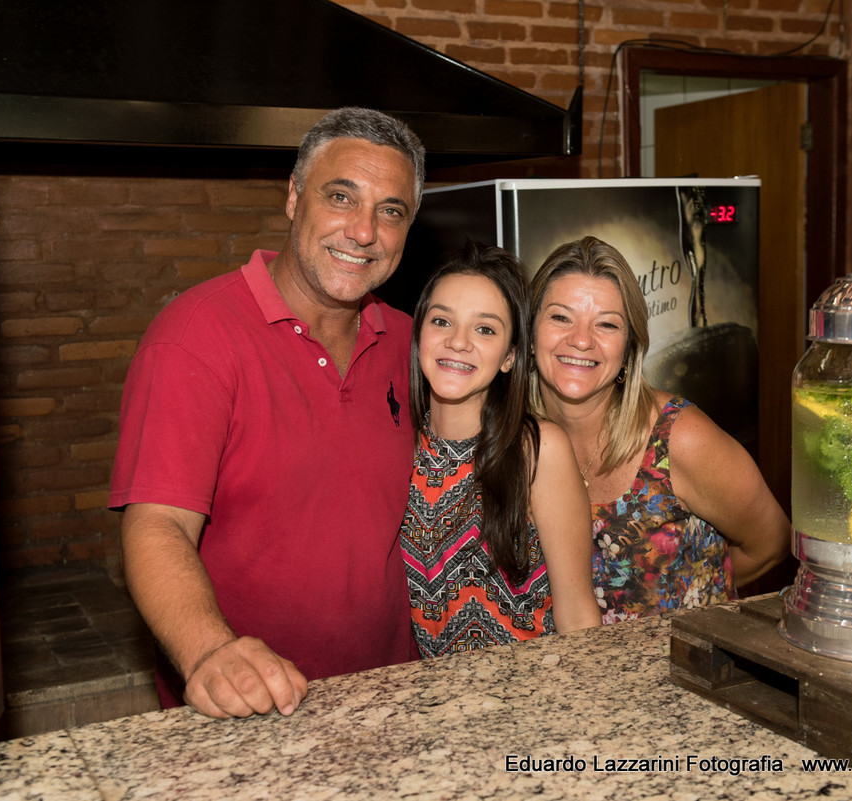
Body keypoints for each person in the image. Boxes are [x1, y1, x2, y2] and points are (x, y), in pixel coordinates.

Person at [109, 107, 426, 719]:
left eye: (391, 211)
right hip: (249, 708)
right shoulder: (195, 338)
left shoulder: (413, 345)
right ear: (294, 198)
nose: (364, 232)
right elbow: (158, 525)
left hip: (392, 695)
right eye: (341, 197)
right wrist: (210, 652)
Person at [528, 236, 788, 624]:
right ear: (530, 334)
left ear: (629, 348)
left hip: (683, 658)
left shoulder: (679, 438)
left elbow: (771, 542)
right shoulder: (512, 440)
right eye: (561, 317)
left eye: (607, 324)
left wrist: (693, 596)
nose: (581, 340)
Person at [400, 243, 602, 657]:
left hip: (535, 690)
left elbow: (578, 615)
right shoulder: (398, 444)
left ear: (510, 356)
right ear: (419, 335)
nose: (458, 342)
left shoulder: (536, 450)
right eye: (442, 321)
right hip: (429, 693)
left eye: (485, 329)